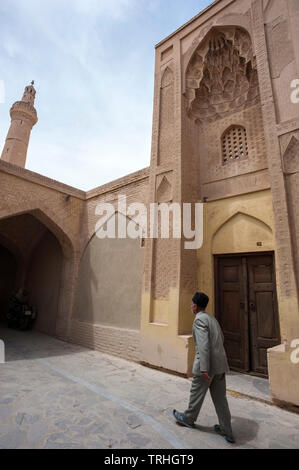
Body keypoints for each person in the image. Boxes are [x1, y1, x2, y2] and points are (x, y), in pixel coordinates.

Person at [173, 291, 235, 444]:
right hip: (220, 366)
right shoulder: (212, 319)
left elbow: (203, 346)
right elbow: (221, 339)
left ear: (195, 305)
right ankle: (227, 430)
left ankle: (188, 418)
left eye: (192, 303)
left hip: (207, 366)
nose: (190, 306)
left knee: (196, 393)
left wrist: (204, 368)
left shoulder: (199, 320)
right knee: (220, 399)